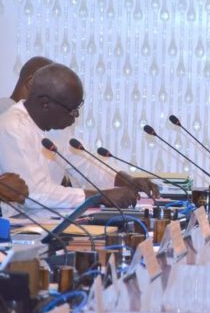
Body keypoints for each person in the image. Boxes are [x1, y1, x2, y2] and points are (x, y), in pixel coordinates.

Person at [0, 64, 150, 212]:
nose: (76, 115)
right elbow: (34, 194)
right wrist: (99, 197)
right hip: (16, 223)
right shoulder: (13, 128)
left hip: (48, 220)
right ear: (45, 103)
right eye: (71, 109)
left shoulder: (55, 128)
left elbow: (86, 165)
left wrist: (126, 180)